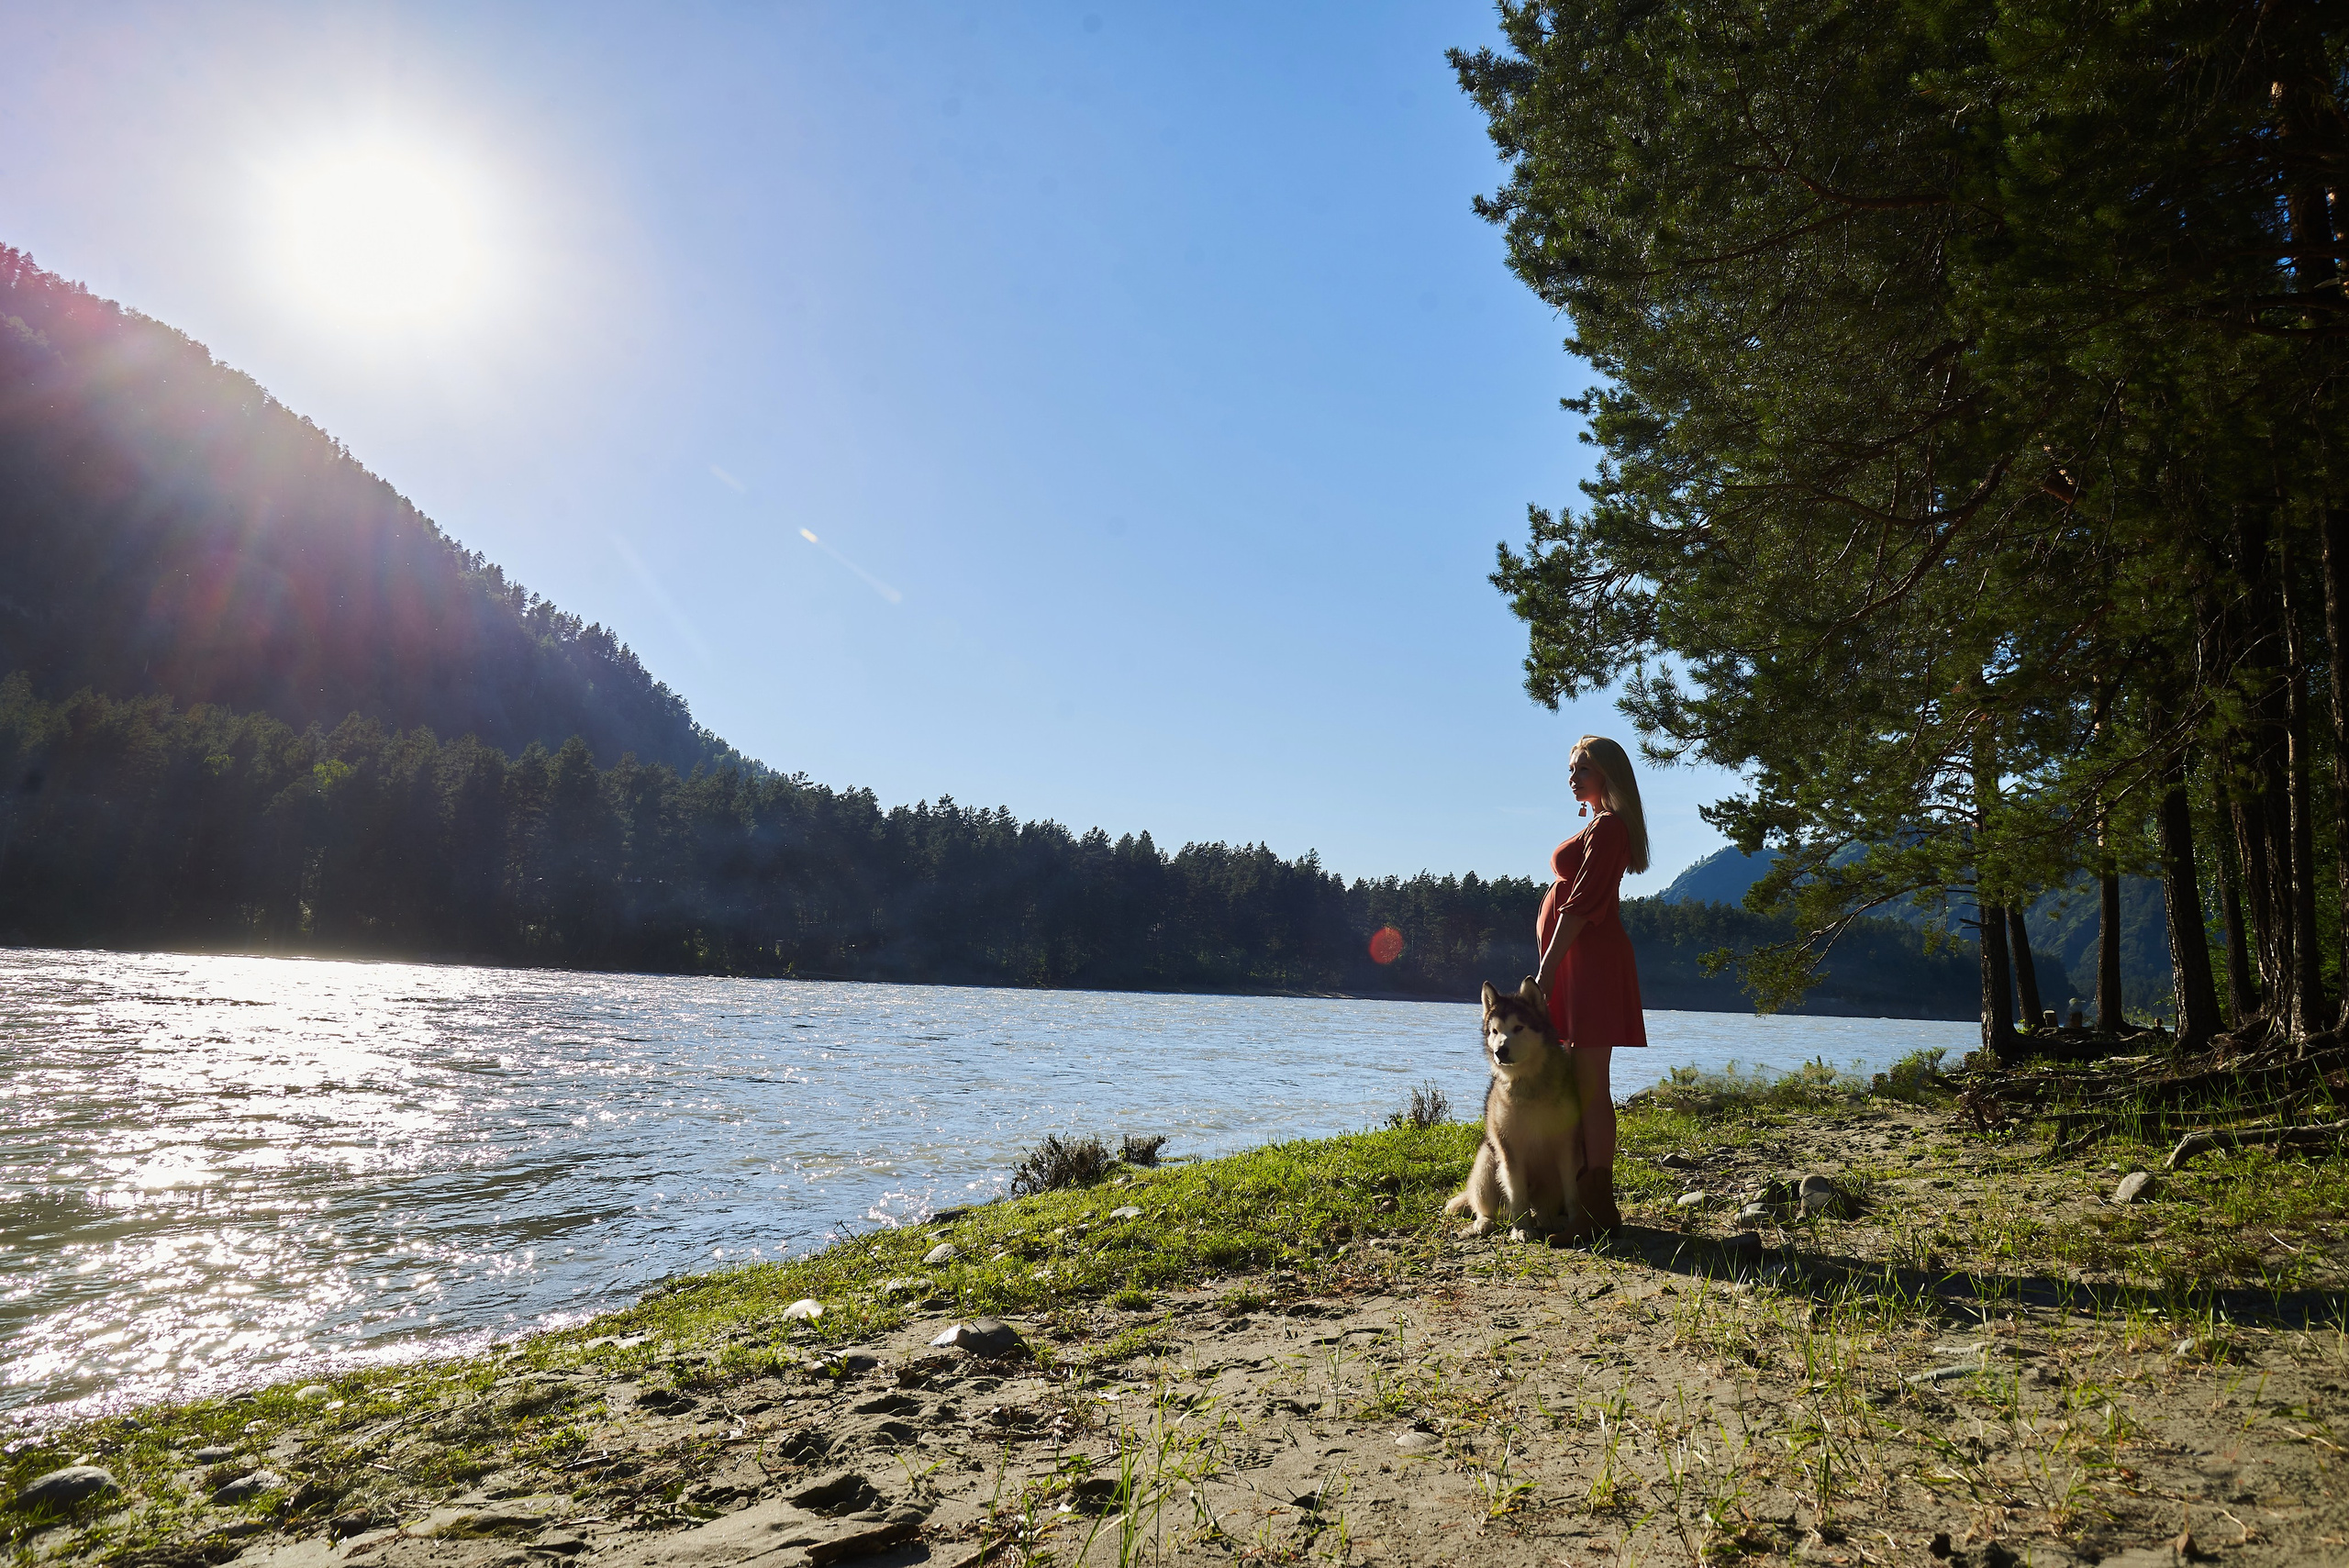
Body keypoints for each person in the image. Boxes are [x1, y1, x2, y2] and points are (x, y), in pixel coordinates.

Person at [1531, 734, 1649, 1236]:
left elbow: (1580, 906)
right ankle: (1574, 1198)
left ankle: (1597, 1211)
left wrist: (1548, 969)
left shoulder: (1610, 830)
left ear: (1608, 774)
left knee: (1591, 1086)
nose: (1573, 776)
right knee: (1576, 1085)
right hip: (1580, 965)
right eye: (1571, 768)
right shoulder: (1601, 826)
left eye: (1582, 768)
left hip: (1591, 966)